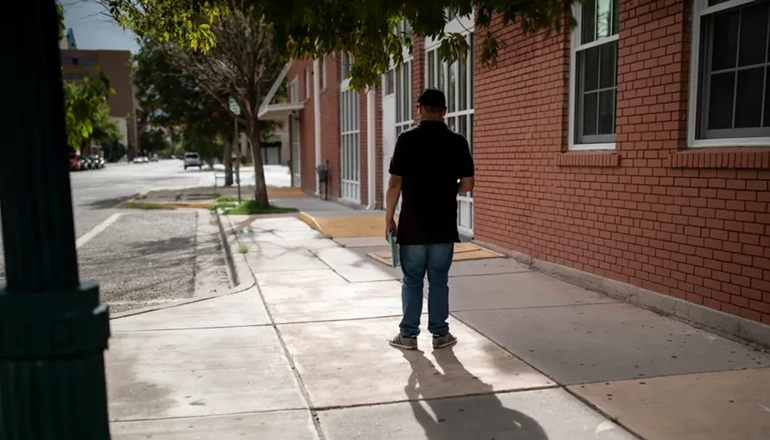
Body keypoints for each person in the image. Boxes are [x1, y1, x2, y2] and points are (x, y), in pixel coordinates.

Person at [385, 88, 475, 351]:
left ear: (419, 109)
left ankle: (408, 336)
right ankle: (440, 335)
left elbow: (394, 183)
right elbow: (468, 184)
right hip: (443, 225)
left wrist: (389, 218)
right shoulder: (457, 141)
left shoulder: (406, 139)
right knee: (438, 280)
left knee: (412, 280)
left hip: (412, 225)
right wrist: (448, 189)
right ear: (444, 111)